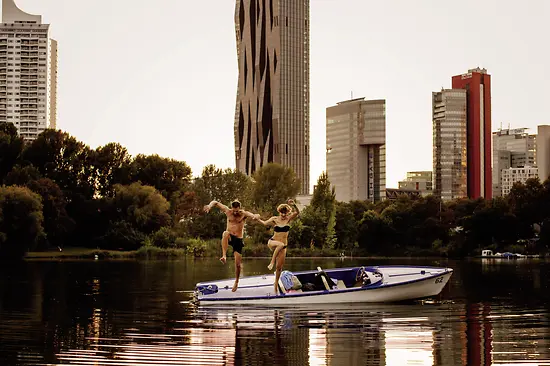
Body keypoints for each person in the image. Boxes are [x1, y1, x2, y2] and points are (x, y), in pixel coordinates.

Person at [203, 199, 259, 292]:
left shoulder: (243, 214)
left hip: (238, 240)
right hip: (229, 237)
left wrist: (256, 216)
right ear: (232, 208)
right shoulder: (228, 211)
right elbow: (216, 203)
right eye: (234, 210)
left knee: (237, 264)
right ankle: (224, 256)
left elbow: (253, 215)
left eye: (237, 210)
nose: (235, 212)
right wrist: (209, 206)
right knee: (225, 233)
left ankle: (236, 281)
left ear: (239, 208)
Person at [256, 199, 300, 294]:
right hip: (273, 242)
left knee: (279, 267)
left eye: (285, 213)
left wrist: (294, 205)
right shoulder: (274, 219)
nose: (283, 215)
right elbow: (264, 223)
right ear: (279, 212)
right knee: (280, 244)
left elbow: (297, 212)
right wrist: (257, 218)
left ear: (287, 212)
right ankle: (271, 262)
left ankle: (275, 284)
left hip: (283, 248)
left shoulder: (288, 218)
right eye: (282, 213)